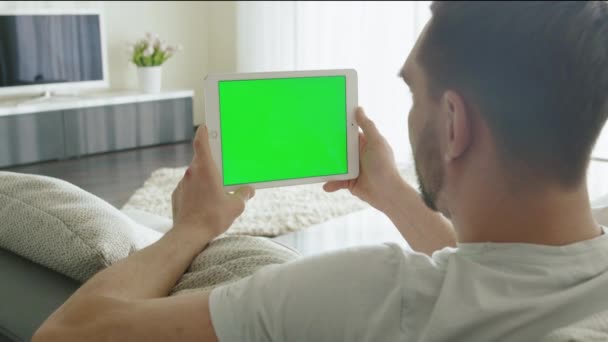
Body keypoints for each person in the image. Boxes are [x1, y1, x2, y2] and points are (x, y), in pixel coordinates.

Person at [34, 1, 608, 341]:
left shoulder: (370, 292)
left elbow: (65, 335)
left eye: (414, 92)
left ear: (454, 124)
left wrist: (192, 226)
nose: (408, 113)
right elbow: (495, 272)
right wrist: (392, 194)